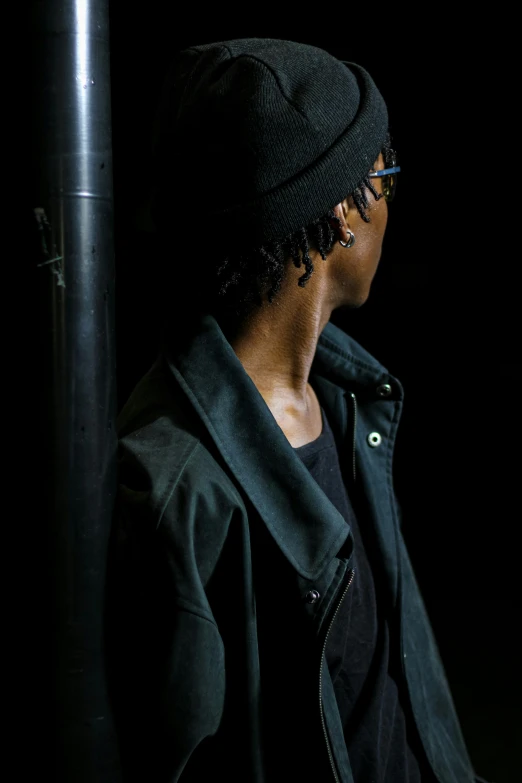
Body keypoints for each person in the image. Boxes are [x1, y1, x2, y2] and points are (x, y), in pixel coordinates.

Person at [105, 38, 490, 783]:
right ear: (344, 210)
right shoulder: (175, 490)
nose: (391, 202)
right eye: (387, 177)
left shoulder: (350, 406)